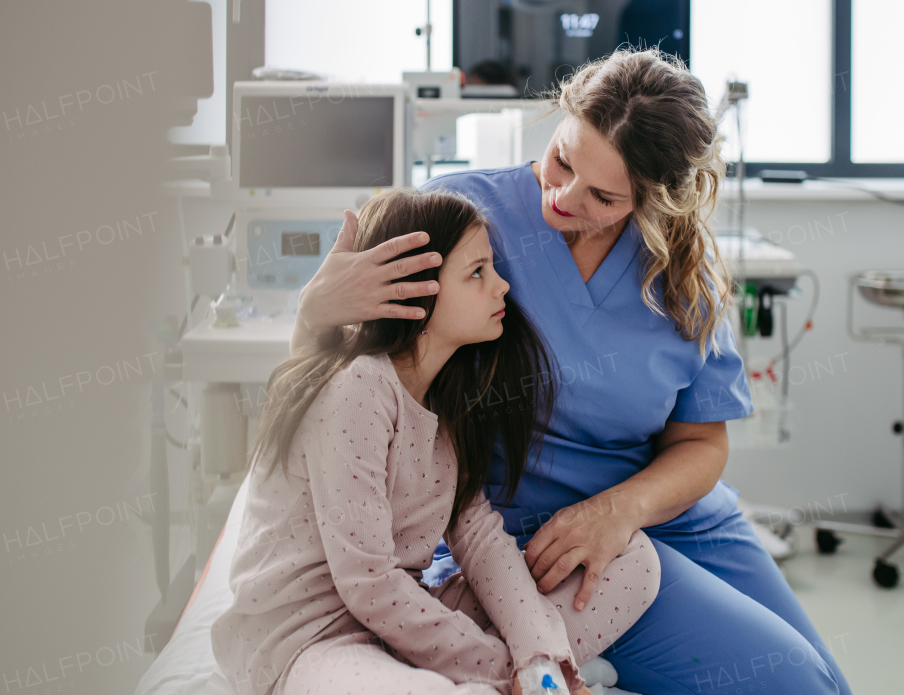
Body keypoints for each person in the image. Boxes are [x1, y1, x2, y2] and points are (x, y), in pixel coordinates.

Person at [291, 48, 852, 695]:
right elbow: (355, 372)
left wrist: (623, 508)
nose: (561, 197)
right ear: (559, 118)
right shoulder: (464, 221)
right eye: (561, 160)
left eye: (603, 196)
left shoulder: (678, 271)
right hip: (540, 531)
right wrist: (316, 311)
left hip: (673, 514)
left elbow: (701, 442)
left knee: (830, 683)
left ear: (655, 200)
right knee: (795, 685)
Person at [212, 188, 661, 695]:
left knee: (636, 562)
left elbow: (481, 538)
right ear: (415, 295)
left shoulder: (447, 404)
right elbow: (367, 584)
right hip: (314, 639)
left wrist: (538, 656)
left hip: (402, 618)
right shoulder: (359, 387)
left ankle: (534, 672)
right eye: (477, 273)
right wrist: (506, 666)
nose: (502, 288)